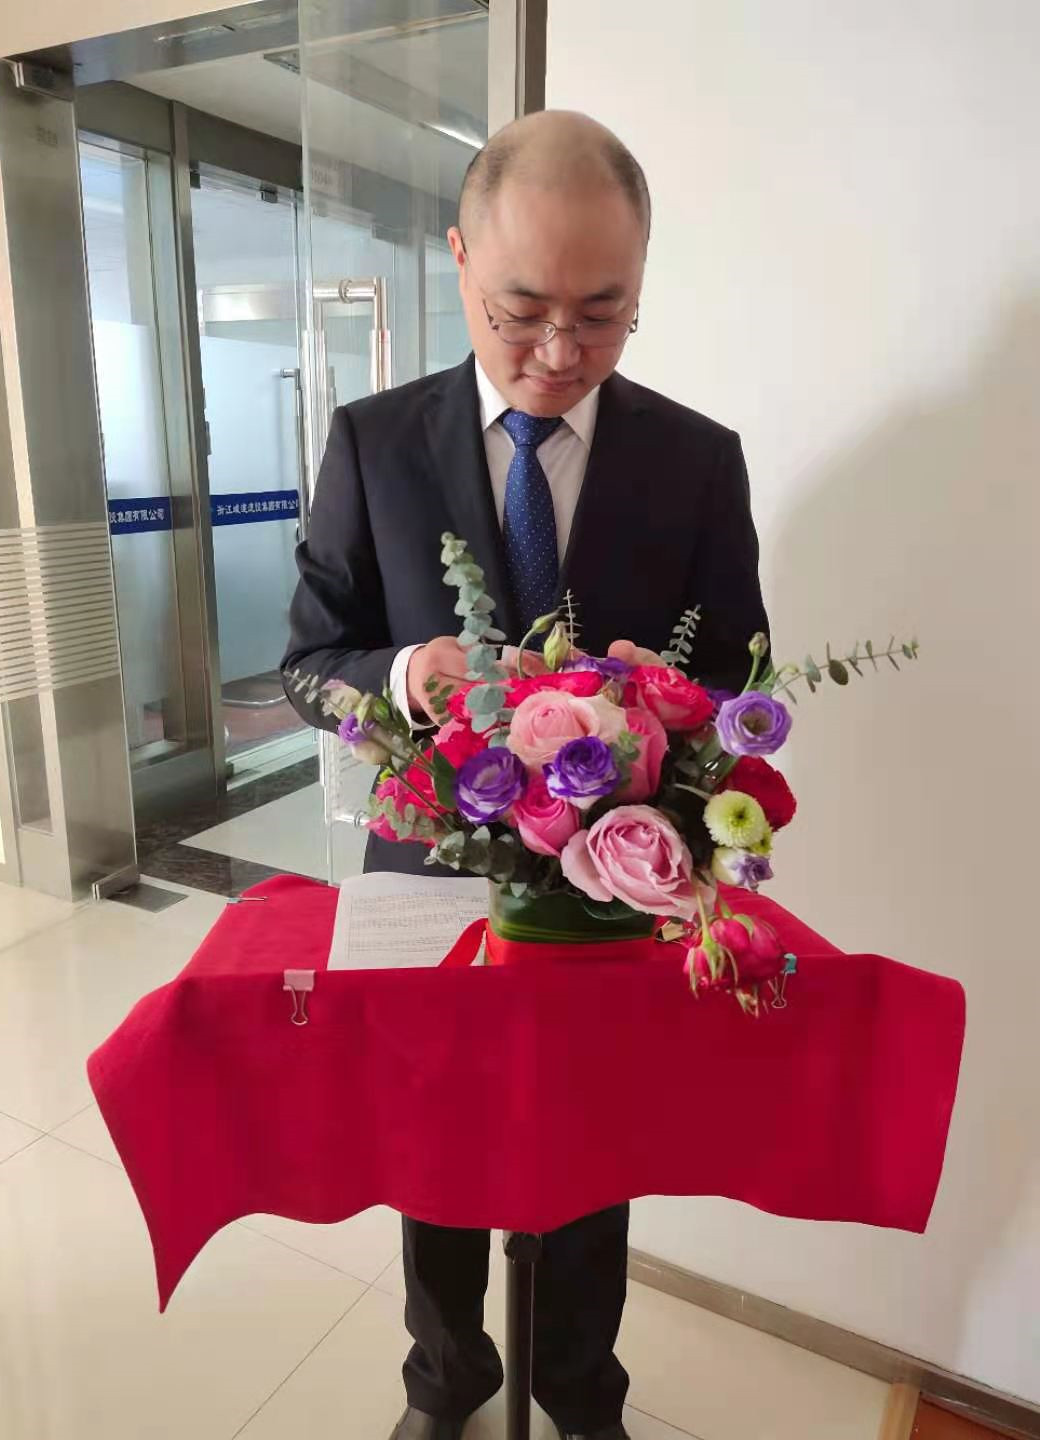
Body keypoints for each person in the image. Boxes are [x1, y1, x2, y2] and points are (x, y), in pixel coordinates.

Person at [283, 110, 768, 1440]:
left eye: (603, 315)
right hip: (425, 880)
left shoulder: (697, 459)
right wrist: (405, 676)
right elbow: (308, 659)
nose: (561, 352)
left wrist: (672, 704)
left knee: (592, 1158)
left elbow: (744, 681)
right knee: (433, 1149)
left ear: (642, 280)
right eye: (523, 312)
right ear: (459, 261)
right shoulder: (374, 441)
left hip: (609, 895)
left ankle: (578, 1389)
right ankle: (445, 1381)